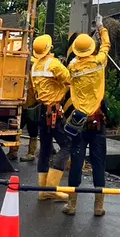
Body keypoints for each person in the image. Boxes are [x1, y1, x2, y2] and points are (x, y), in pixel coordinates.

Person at [63, 18, 111, 217]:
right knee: (99, 163)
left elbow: (69, 68)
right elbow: (106, 45)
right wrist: (100, 27)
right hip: (97, 121)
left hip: (78, 120)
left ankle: (72, 205)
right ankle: (98, 206)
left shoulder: (73, 69)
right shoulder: (99, 62)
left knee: (76, 160)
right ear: (92, 49)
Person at [30, 33, 72, 201]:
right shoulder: (53, 64)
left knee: (45, 148)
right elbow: (69, 79)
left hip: (42, 111)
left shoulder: (35, 67)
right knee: (66, 145)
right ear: (49, 48)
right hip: (54, 110)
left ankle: (42, 190)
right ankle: (51, 188)